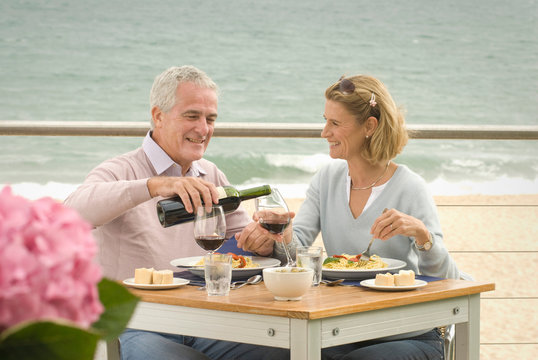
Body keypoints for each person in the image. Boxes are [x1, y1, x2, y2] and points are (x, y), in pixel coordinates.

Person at [64, 65, 288, 360]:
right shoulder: (122, 170)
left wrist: (264, 241)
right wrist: (154, 185)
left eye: (210, 119)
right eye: (192, 116)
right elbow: (71, 212)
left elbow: (244, 243)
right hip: (136, 323)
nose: (204, 129)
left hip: (203, 319)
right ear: (158, 116)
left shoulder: (211, 174)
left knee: (284, 350)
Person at [250, 74, 459, 360]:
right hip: (344, 328)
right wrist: (282, 231)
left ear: (369, 126)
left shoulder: (410, 188)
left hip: (408, 333)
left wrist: (422, 236)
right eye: (325, 120)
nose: (325, 132)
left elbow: (447, 280)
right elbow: (296, 251)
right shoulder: (327, 179)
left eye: (335, 123)